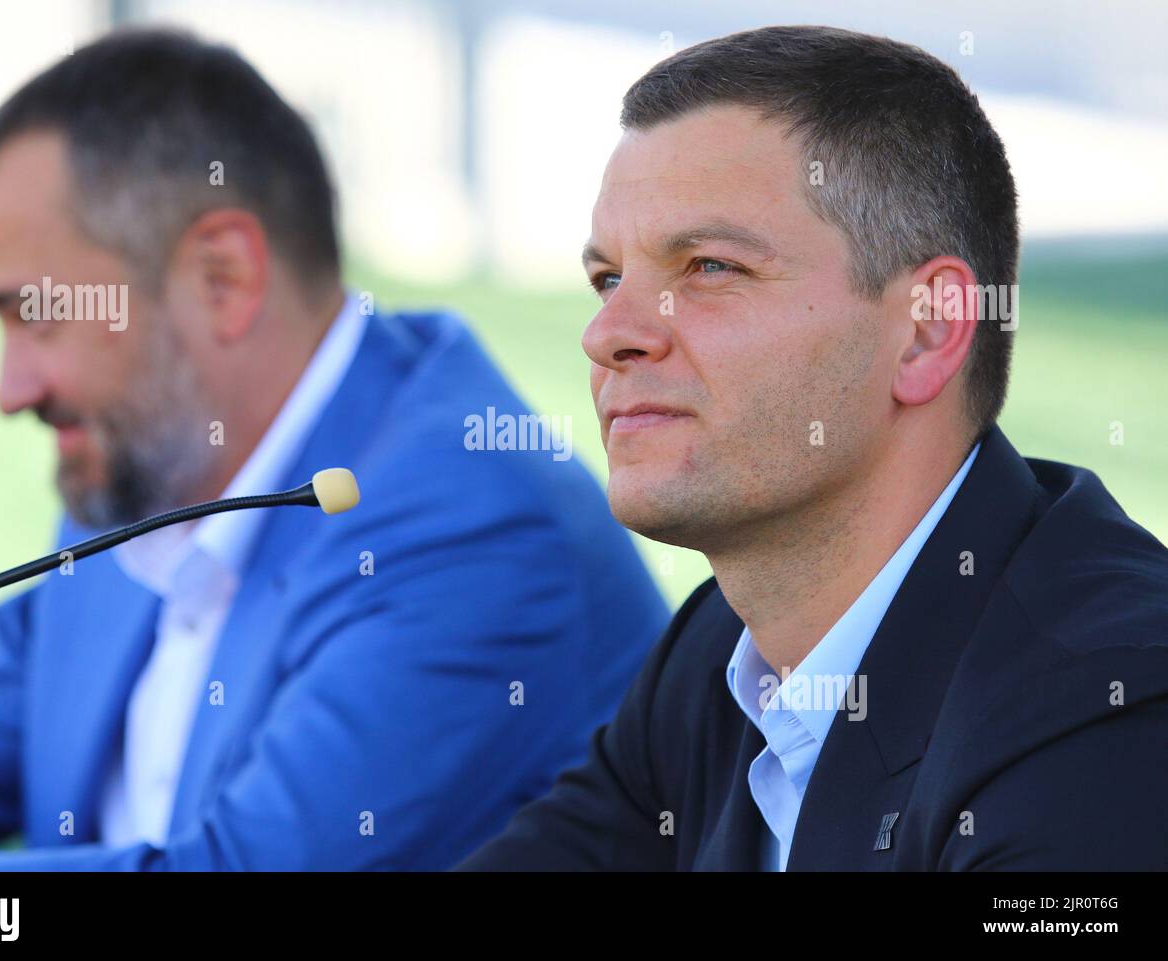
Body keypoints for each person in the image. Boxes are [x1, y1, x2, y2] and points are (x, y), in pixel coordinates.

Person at [0, 28, 669, 871]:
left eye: (36, 314)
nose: (11, 391)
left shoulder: (474, 529)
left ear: (222, 277)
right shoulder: (151, 462)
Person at [459, 25, 1168, 871]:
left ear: (925, 330)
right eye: (609, 278)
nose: (609, 332)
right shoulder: (720, 654)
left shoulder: (1106, 716)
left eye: (710, 268)